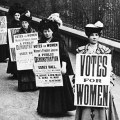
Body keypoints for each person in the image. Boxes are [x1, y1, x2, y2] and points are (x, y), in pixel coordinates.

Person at [74, 21, 119, 120]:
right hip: (86, 86)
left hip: (100, 87)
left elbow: (108, 69)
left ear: (99, 36)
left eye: (96, 35)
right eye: (92, 35)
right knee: (85, 108)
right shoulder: (81, 51)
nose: (94, 37)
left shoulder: (105, 51)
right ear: (88, 36)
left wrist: (109, 82)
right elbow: (78, 70)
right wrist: (76, 84)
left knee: (101, 110)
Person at [37, 18, 75, 116]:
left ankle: (59, 109)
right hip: (46, 70)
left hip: (58, 69)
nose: (46, 33)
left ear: (52, 31)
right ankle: (47, 109)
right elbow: (37, 57)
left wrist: (64, 67)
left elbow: (64, 55)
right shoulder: (40, 42)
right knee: (47, 87)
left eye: (48, 31)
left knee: (59, 89)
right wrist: (35, 67)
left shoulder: (58, 41)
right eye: (45, 31)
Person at [16, 12, 37, 92]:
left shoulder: (33, 31)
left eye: (26, 23)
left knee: (31, 70)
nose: (24, 24)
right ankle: (24, 87)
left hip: (31, 54)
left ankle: (33, 86)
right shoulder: (18, 33)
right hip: (23, 55)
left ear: (28, 23)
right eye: (23, 23)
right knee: (24, 70)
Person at [7, 3, 26, 78]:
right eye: (16, 15)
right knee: (14, 56)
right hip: (13, 42)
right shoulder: (11, 24)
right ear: (13, 16)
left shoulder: (23, 23)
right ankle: (14, 72)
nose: (17, 17)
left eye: (18, 15)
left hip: (20, 42)